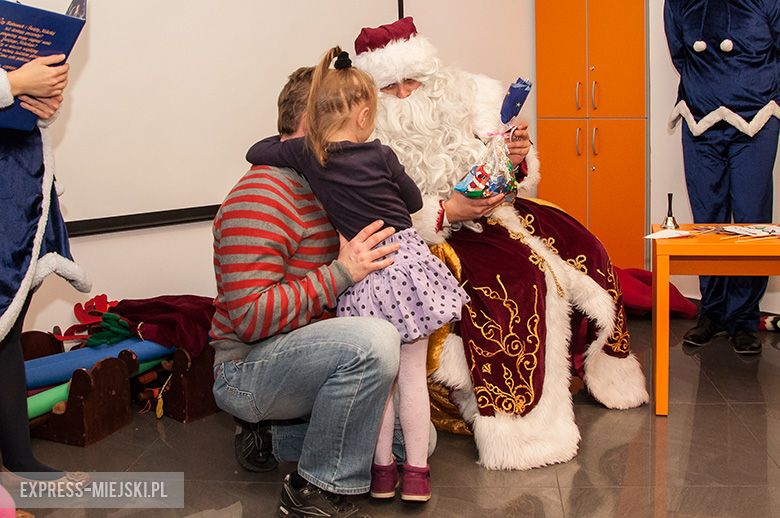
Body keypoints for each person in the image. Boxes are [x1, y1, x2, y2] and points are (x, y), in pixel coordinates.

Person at [352, 17, 650, 471]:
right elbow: (377, 209)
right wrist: (447, 211)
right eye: (391, 87)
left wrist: (516, 156)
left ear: (430, 75)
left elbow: (512, 175)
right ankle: (520, 430)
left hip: (497, 213)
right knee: (521, 284)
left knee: (587, 247)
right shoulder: (363, 136)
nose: (406, 94)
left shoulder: (467, 97)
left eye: (413, 80)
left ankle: (602, 371)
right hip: (432, 235)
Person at [245, 47, 469, 503]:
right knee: (410, 379)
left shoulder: (312, 158)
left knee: (381, 384)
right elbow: (412, 204)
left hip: (365, 277)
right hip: (405, 265)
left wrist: (295, 143)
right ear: (367, 113)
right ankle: (418, 478)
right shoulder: (383, 155)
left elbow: (257, 150)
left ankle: (382, 475)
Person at [211, 66, 402, 518]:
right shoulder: (260, 195)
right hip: (245, 368)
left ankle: (270, 437)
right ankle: (313, 489)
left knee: (411, 440)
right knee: (373, 343)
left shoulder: (323, 185)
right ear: (311, 125)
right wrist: (341, 273)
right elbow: (250, 319)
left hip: (303, 353)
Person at [664, 0, 779, 355]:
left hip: (756, 118)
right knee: (707, 220)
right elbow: (680, 53)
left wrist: (755, 87)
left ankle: (744, 318)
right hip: (700, 117)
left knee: (750, 220)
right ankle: (712, 314)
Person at [0, 55, 91, 481]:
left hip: (17, 199)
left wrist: (37, 101)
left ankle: (20, 458)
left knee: (6, 337)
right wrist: (14, 83)